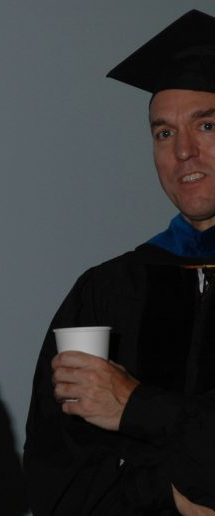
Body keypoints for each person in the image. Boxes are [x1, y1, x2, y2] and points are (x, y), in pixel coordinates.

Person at [24, 9, 215, 516]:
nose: (184, 152)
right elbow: (55, 480)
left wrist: (137, 406)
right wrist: (170, 498)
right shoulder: (107, 290)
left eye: (207, 125)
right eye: (164, 133)